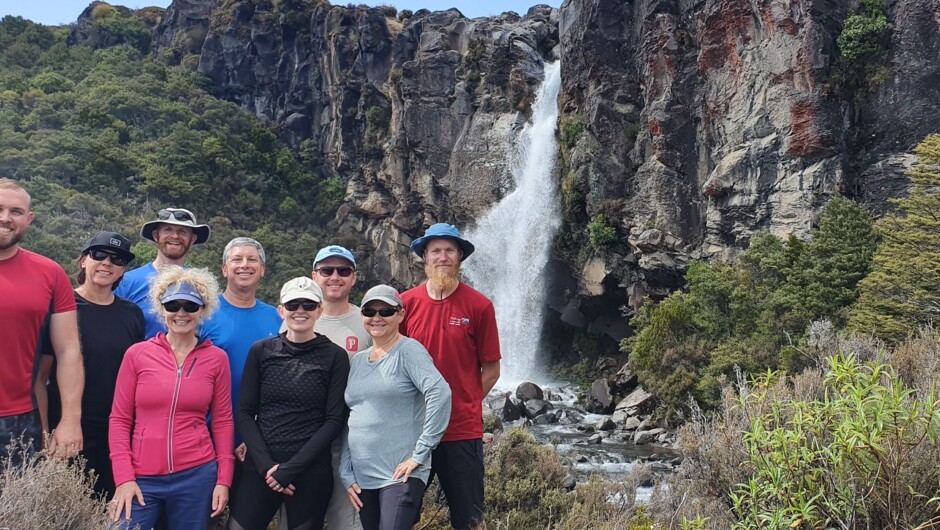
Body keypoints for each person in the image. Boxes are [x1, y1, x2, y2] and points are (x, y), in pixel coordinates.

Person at [109, 266, 233, 529]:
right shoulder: (137, 354)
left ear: (202, 310)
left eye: (190, 306)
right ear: (161, 308)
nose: (181, 313)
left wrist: (224, 480)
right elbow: (119, 419)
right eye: (172, 305)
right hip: (141, 476)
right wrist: (123, 478)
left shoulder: (217, 359)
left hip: (196, 475)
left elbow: (223, 421)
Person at [400, 223, 501, 530]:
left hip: (461, 431)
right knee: (401, 513)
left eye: (449, 250)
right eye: (435, 251)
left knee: (468, 517)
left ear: (459, 257)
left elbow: (492, 369)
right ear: (424, 257)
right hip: (411, 431)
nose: (442, 257)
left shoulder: (480, 306)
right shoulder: (405, 304)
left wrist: (465, 402)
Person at [228, 277, 350, 530]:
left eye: (308, 304)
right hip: (261, 465)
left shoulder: (335, 356)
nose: (300, 311)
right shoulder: (261, 351)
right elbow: (245, 413)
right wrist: (268, 469)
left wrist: (290, 469)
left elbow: (334, 419)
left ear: (320, 310)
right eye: (293, 304)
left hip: (310, 469)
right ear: (281, 310)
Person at [35, 231, 145, 498]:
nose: (107, 262)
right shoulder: (61, 308)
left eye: (117, 259)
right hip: (68, 429)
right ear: (84, 261)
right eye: (99, 254)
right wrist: (45, 431)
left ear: (122, 271)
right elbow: (39, 378)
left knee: (108, 511)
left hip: (117, 434)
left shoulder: (132, 314)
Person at [340, 285, 451, 530]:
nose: (377, 317)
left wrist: (420, 454)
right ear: (362, 316)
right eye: (370, 311)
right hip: (363, 477)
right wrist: (345, 470)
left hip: (400, 475)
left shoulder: (409, 350)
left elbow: (440, 393)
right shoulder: (359, 359)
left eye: (386, 311)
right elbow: (353, 416)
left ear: (400, 315)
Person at [0, 178, 83, 465]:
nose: (5, 219)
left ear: (29, 219)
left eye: (16, 212)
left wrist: (71, 420)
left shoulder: (50, 274)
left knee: (20, 510)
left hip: (18, 422)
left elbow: (68, 350)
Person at [312, 244, 372, 530]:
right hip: (304, 435)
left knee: (347, 521)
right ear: (315, 276)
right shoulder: (299, 317)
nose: (335, 277)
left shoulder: (369, 322)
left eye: (343, 270)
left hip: (351, 441)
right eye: (327, 270)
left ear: (354, 278)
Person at [201, 238, 281, 448]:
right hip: (209, 435)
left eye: (252, 260)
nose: (245, 264)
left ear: (262, 270)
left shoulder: (275, 317)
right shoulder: (203, 314)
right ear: (225, 269)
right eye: (237, 259)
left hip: (261, 438)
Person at [115, 207, 210, 338]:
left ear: (192, 239)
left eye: (182, 231)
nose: (175, 236)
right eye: (168, 230)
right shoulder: (125, 282)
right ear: (155, 235)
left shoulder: (200, 286)